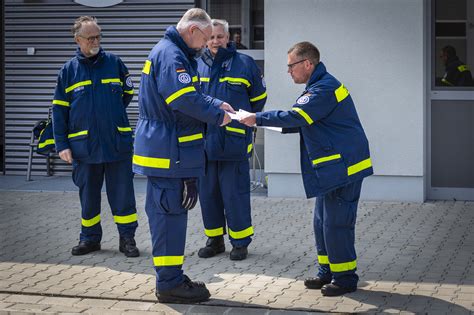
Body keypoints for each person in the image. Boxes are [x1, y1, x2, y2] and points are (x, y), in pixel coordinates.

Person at [239, 41, 373, 297]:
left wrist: (257, 117)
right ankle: (328, 270)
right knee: (321, 221)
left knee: (337, 224)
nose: (288, 71)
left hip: (343, 167)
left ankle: (345, 278)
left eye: (291, 65)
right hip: (332, 166)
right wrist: (266, 121)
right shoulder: (317, 86)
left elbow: (297, 116)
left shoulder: (324, 88)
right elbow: (300, 119)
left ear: (307, 64)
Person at [133, 9, 233, 303]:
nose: (206, 45)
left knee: (171, 217)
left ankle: (172, 277)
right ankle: (169, 284)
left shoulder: (174, 53)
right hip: (168, 150)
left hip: (170, 150)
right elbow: (182, 99)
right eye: (204, 38)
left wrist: (217, 103)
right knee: (168, 219)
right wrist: (218, 116)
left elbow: (192, 92)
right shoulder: (171, 55)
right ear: (192, 31)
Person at [52, 16, 139, 258]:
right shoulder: (68, 72)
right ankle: (89, 239)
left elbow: (127, 94)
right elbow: (59, 110)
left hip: (116, 144)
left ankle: (127, 239)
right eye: (90, 38)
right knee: (88, 197)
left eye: (98, 36)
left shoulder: (115, 63)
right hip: (84, 148)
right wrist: (62, 145)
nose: (96, 41)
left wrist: (109, 119)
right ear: (78, 40)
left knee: (123, 196)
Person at [196, 19, 267, 261]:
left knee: (235, 195)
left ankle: (240, 243)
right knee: (208, 195)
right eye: (211, 37)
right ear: (205, 39)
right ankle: (214, 241)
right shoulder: (196, 64)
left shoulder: (244, 63)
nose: (215, 41)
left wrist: (244, 122)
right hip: (205, 143)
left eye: (219, 37)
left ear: (229, 38)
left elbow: (259, 99)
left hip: (234, 142)